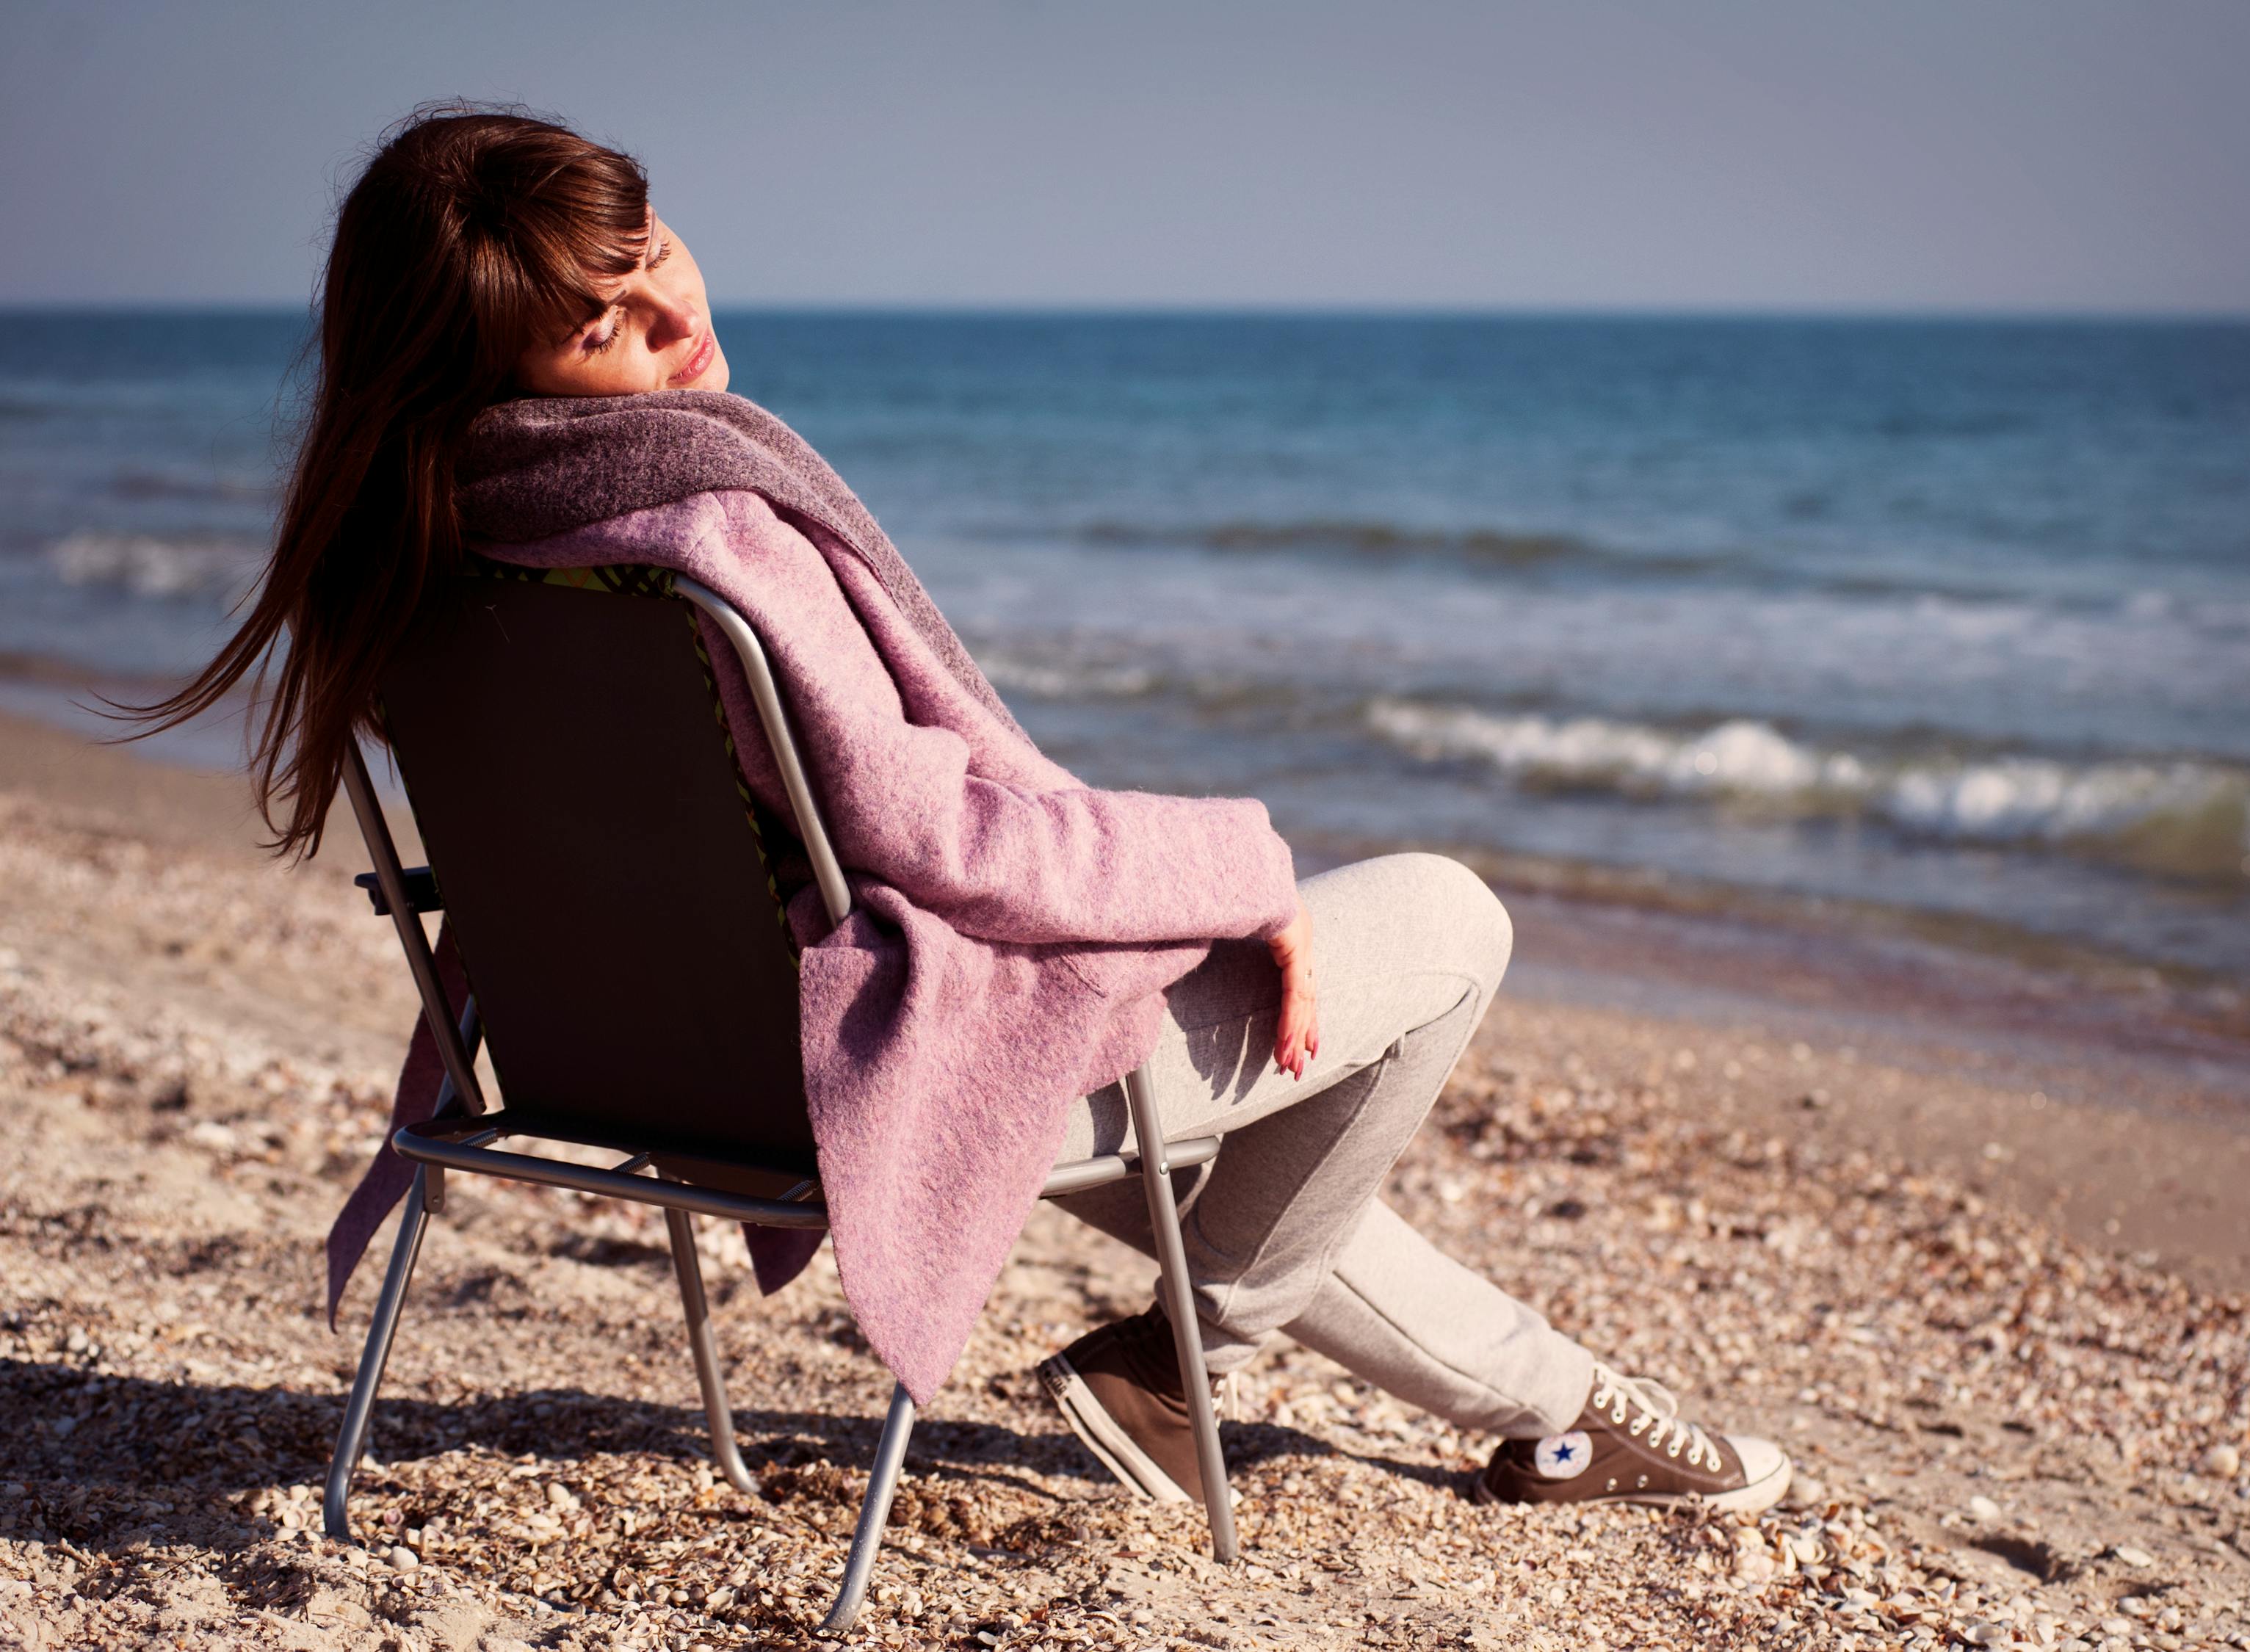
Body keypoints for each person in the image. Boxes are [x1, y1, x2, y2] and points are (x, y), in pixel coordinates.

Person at [133, 104, 1790, 1515]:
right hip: (856, 1071)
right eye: (601, 328)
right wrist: (1237, 875)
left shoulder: (425, 553)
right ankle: (1183, 1370)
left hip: (634, 1058)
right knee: (1443, 919)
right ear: (494, 359)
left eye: (648, 261)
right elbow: (950, 844)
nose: (667, 323)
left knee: (1261, 1174)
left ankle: (1566, 1418)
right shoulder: (706, 542)